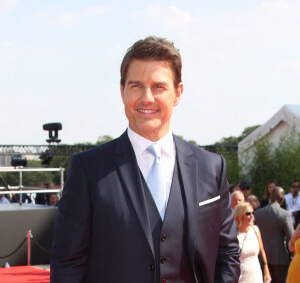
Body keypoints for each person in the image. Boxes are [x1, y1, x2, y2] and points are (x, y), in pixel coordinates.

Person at [50, 36, 240, 283]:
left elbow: (226, 254)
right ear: (122, 91)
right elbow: (67, 263)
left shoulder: (211, 167)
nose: (147, 98)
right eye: (136, 86)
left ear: (178, 93)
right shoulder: (88, 169)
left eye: (158, 87)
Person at [255, 187, 294, 283]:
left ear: (270, 197)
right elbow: (291, 238)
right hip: (280, 259)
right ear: (282, 199)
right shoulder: (285, 214)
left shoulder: (257, 213)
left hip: (262, 258)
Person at [234, 202, 271, 283]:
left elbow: (262, 252)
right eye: (248, 213)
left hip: (256, 274)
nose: (252, 216)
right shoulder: (233, 235)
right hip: (240, 276)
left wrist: (266, 271)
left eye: (253, 213)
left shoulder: (255, 230)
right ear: (240, 216)